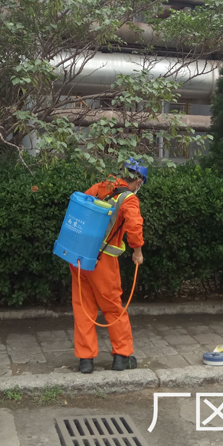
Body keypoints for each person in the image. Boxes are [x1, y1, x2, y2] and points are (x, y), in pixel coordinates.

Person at [70, 157, 146, 374]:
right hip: (102, 261)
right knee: (113, 308)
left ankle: (85, 360)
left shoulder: (100, 187)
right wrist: (137, 252)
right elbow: (134, 226)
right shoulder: (129, 198)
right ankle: (121, 356)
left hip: (78, 257)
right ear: (138, 181)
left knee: (83, 308)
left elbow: (79, 211)